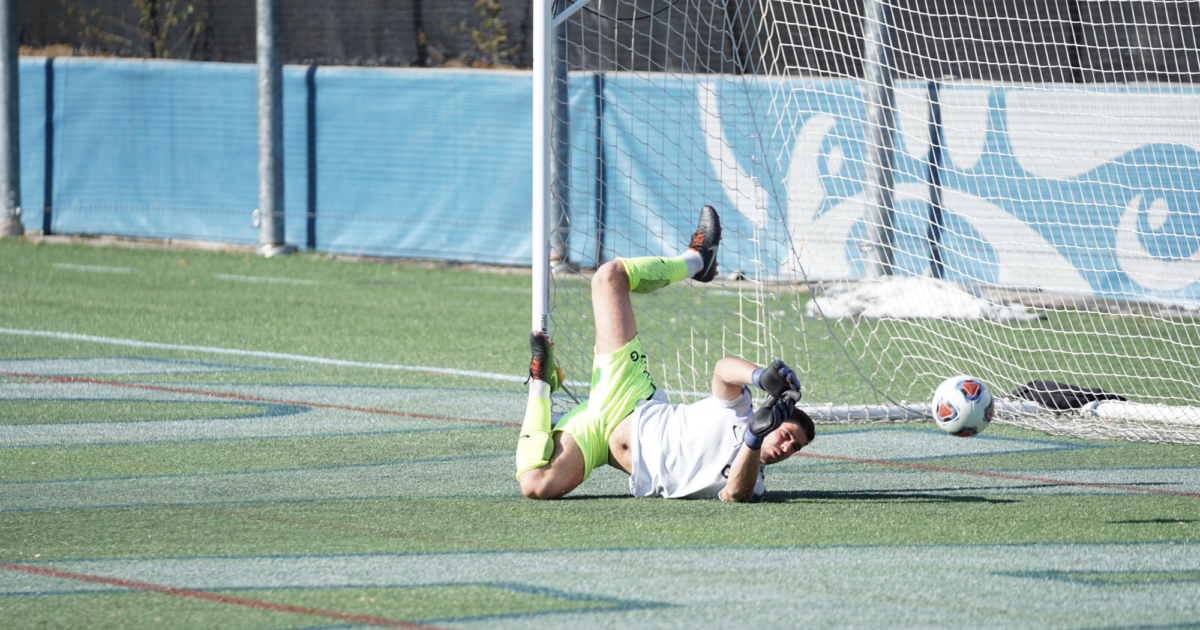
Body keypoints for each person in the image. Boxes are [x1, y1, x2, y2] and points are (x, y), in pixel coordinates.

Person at [516, 205, 815, 502]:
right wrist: (760, 377)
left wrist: (753, 440)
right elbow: (723, 370)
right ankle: (697, 260)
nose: (786, 448)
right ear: (775, 419)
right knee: (609, 277)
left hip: (596, 440)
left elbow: (734, 494)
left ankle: (541, 382)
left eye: (795, 448)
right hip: (627, 397)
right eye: (788, 435)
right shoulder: (739, 411)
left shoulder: (753, 483)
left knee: (535, 485)